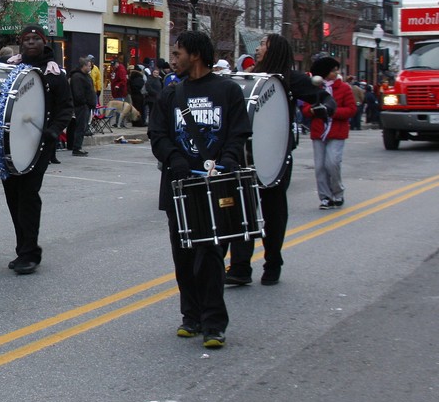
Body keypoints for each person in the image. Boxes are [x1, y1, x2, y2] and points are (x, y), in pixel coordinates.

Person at [148, 30, 250, 349]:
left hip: (214, 185)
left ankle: (213, 323)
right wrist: (174, 158)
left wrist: (228, 160)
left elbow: (238, 134)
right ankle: (189, 316)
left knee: (210, 254)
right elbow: (157, 134)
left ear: (194, 54)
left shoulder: (228, 90)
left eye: (177, 53)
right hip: (179, 187)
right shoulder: (171, 94)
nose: (172, 59)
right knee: (183, 254)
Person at [224, 34, 336, 286]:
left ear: (275, 51)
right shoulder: (251, 76)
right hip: (246, 156)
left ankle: (273, 262)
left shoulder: (289, 79)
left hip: (275, 157)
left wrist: (324, 109)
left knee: (273, 213)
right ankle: (240, 267)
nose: (260, 48)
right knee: (243, 212)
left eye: (264, 45)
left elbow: (325, 99)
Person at [0, 23, 74, 275]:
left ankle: (30, 253)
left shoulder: (54, 74)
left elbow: (66, 107)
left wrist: (53, 130)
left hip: (39, 144)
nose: (31, 43)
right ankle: (22, 248)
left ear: (44, 42)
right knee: (13, 196)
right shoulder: (13, 65)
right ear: (21, 43)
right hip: (11, 143)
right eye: (26, 39)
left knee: (27, 195)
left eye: (36, 39)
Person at [301, 56, 356, 210]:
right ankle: (325, 197)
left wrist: (330, 111)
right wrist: (313, 111)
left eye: (336, 70)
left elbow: (351, 109)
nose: (336, 73)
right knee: (319, 167)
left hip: (336, 131)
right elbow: (305, 108)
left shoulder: (344, 88)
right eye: (332, 70)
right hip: (319, 132)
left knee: (332, 163)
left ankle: (338, 193)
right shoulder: (314, 88)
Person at [68, 56, 96, 156]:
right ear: (83, 66)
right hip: (82, 106)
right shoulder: (77, 77)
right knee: (80, 127)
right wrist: (85, 103)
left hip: (87, 106)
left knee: (83, 127)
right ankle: (76, 148)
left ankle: (78, 146)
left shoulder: (86, 76)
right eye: (88, 66)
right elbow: (78, 93)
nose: (90, 68)